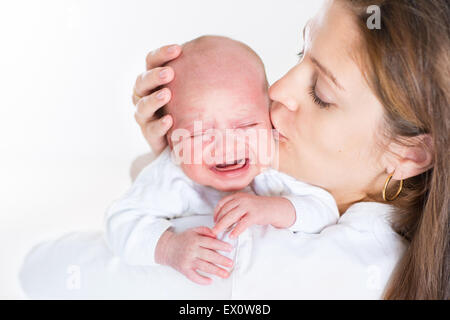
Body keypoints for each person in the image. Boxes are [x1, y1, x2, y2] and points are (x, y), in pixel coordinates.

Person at [20, 0, 449, 299]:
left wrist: (173, 194)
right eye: (300, 53)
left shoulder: (252, 259)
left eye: (320, 93)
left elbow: (42, 272)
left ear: (409, 154)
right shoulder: (366, 219)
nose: (276, 89)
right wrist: (179, 159)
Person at [105, 35, 339, 285]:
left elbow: (326, 210)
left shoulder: (276, 164)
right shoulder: (172, 175)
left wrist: (273, 208)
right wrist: (168, 247)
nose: (227, 145)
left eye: (247, 124)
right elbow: (119, 222)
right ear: (170, 138)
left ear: (270, 116)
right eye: (198, 133)